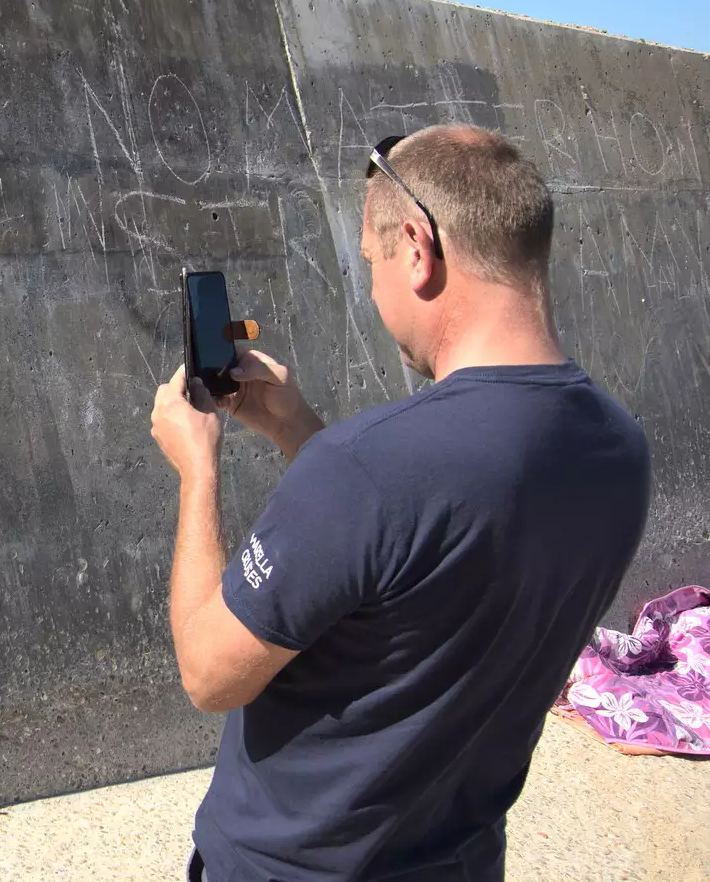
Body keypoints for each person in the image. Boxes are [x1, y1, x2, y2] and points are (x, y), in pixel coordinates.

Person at [148, 125, 651, 882]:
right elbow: (418, 556)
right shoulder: (620, 451)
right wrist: (297, 430)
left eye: (373, 260)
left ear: (418, 248)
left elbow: (208, 673)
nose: (376, 287)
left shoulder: (362, 470)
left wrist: (199, 470)